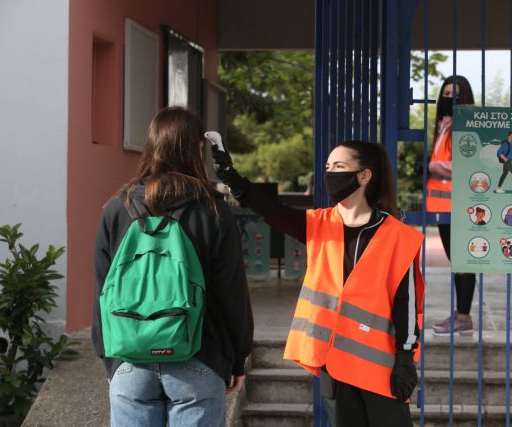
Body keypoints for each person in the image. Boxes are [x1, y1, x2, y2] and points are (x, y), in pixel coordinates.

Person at [213, 140, 425, 427]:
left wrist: (405, 358)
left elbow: (407, 304)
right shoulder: (319, 224)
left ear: (364, 175)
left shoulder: (397, 235)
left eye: (339, 166)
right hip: (334, 363)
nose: (330, 174)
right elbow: (272, 210)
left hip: (380, 367)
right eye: (328, 167)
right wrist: (232, 178)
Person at [92, 107, 253, 427]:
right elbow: (231, 293)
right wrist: (237, 358)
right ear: (197, 148)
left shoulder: (117, 207)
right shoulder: (213, 209)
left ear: (150, 145)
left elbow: (102, 288)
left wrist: (109, 359)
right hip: (200, 355)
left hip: (129, 356)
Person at [427, 75, 477, 336]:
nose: (450, 98)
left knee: (463, 260)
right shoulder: (443, 126)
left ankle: (464, 317)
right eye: (446, 93)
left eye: (455, 94)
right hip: (442, 205)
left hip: (460, 205)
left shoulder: (466, 126)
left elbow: (465, 164)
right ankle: (461, 312)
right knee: (457, 261)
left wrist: (431, 167)